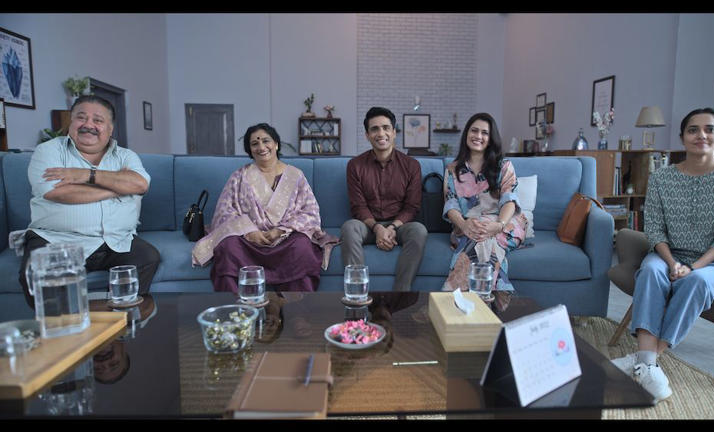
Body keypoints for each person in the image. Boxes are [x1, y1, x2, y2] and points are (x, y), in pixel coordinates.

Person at [611, 107, 714, 403]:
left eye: (709, 129)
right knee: (650, 271)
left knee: (696, 281)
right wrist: (672, 262)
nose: (701, 135)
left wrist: (694, 267)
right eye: (693, 130)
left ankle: (645, 360)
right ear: (682, 137)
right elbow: (654, 228)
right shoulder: (662, 177)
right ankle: (648, 365)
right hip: (668, 254)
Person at [19, 95, 160, 307]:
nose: (88, 125)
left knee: (147, 257)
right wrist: (116, 188)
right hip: (56, 239)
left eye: (98, 120)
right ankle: (66, 325)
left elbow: (140, 184)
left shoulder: (125, 156)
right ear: (71, 122)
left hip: (115, 240)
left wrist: (86, 175)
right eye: (81, 117)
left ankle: (118, 319)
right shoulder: (49, 151)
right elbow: (58, 192)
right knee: (39, 275)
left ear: (110, 129)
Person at [192, 123, 338, 292]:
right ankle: (239, 306)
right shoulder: (239, 177)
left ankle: (296, 305)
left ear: (276, 144)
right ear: (250, 150)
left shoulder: (295, 176)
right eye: (255, 143)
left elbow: (310, 212)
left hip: (286, 237)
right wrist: (249, 231)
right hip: (248, 239)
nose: (261, 147)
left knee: (302, 247)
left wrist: (281, 230)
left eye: (266, 141)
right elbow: (224, 212)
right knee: (228, 247)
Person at [341, 107, 427, 292]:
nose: (381, 133)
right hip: (367, 226)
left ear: (394, 132)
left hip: (400, 226)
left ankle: (400, 294)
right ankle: (357, 293)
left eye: (386, 128)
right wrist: (378, 228)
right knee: (349, 227)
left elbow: (412, 207)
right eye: (375, 129)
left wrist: (392, 227)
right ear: (367, 135)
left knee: (419, 230)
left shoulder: (411, 165)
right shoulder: (355, 166)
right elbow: (358, 206)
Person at [442, 112, 527, 292]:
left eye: (484, 133)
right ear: (466, 133)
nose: (478, 136)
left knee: (479, 240)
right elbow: (451, 205)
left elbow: (509, 200)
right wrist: (464, 225)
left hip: (505, 224)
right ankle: (495, 298)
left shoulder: (504, 166)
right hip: (468, 226)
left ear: (491, 138)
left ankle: (452, 297)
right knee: (483, 240)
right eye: (474, 131)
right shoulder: (452, 170)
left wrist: (499, 225)